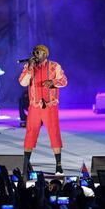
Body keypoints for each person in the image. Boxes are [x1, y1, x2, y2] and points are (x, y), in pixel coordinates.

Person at [19, 44, 68, 176]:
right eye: (34, 52)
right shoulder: (29, 67)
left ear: (45, 54)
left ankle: (58, 165)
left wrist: (52, 83)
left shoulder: (54, 66)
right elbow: (23, 83)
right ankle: (25, 164)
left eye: (38, 52)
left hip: (49, 106)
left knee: (54, 133)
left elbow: (64, 81)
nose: (35, 54)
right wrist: (29, 68)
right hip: (34, 106)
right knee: (30, 133)